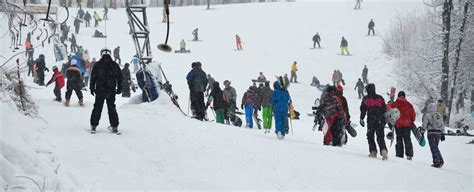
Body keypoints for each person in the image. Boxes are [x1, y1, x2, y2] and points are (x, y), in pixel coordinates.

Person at [90, 49, 122, 134]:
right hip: (111, 90)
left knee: (97, 107)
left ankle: (93, 125)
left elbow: (93, 77)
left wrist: (92, 88)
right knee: (111, 107)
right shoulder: (114, 65)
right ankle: (114, 126)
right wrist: (119, 88)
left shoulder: (97, 65)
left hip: (100, 89)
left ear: (101, 54)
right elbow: (119, 77)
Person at [360, 83, 388, 160]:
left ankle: (373, 151)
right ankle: (383, 151)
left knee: (370, 135)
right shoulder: (380, 98)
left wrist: (361, 118)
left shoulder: (366, 99)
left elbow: (363, 109)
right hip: (380, 119)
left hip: (371, 119)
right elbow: (384, 109)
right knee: (380, 136)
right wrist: (384, 120)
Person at [391, 91, 416, 160]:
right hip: (407, 125)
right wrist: (411, 121)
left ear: (398, 96)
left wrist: (393, 122)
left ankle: (399, 154)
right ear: (404, 96)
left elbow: (391, 114)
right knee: (407, 139)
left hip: (398, 125)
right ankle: (409, 155)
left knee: (399, 139)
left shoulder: (394, 104)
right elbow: (413, 115)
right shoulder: (409, 104)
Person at [421, 101, 445, 168]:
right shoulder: (439, 115)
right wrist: (443, 134)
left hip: (431, 133)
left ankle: (438, 161)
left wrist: (422, 132)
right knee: (435, 147)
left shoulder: (427, 115)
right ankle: (436, 161)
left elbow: (424, 124)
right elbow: (442, 125)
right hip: (438, 134)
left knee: (433, 148)